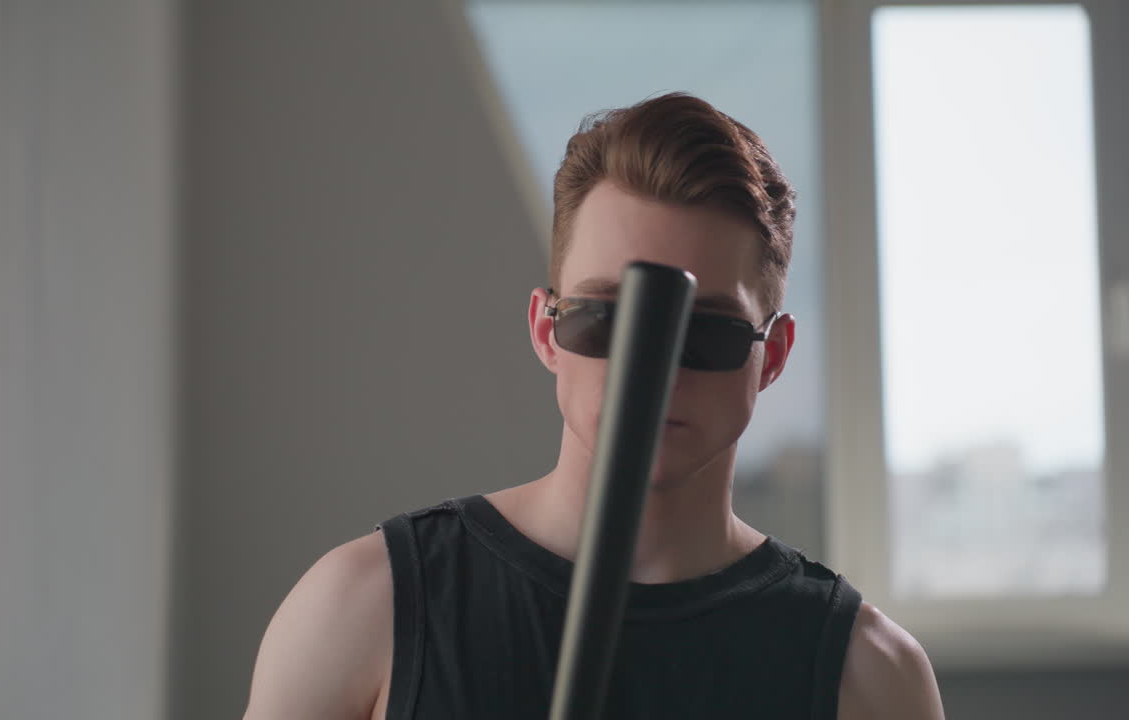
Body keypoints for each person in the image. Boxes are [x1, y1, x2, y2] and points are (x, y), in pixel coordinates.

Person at [242, 92, 945, 719]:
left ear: (775, 355)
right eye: (607, 317)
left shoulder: (870, 677)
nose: (654, 368)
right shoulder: (367, 610)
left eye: (707, 330)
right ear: (548, 331)